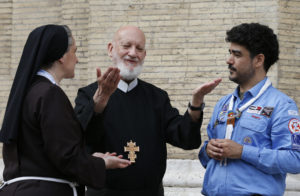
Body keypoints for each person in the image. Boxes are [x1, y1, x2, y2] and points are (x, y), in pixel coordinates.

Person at [74, 25, 221, 196]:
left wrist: (195, 104)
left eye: (139, 48)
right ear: (111, 49)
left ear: (144, 55)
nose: (133, 53)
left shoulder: (157, 97)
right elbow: (81, 140)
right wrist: (98, 103)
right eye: (126, 46)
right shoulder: (88, 94)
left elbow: (185, 138)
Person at [0, 24, 131, 196]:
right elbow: (66, 157)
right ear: (61, 55)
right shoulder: (49, 94)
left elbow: (47, 152)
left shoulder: (29, 92)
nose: (77, 59)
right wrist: (102, 163)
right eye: (74, 51)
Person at [198, 23, 300, 195]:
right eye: (229, 53)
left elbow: (295, 160)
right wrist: (208, 150)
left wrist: (243, 152)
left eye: (237, 55)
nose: (229, 60)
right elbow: (205, 158)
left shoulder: (282, 105)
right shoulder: (223, 103)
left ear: (259, 60)